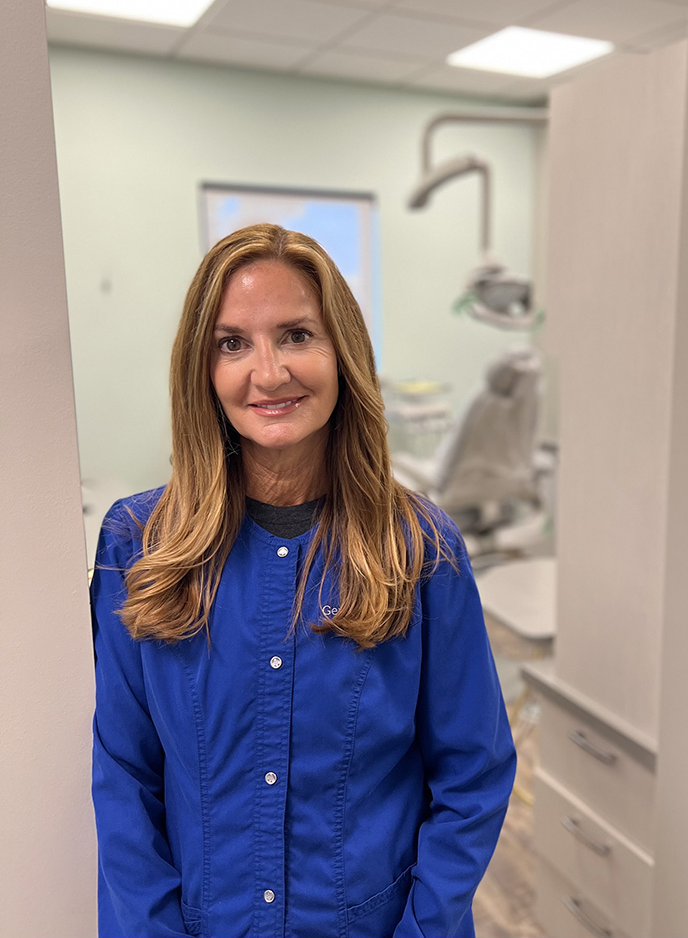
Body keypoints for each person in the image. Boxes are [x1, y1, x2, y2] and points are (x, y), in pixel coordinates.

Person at [90, 223, 517, 938]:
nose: (268, 372)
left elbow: (472, 776)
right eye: (233, 342)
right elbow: (123, 780)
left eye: (296, 335)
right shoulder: (139, 549)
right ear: (202, 367)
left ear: (342, 352)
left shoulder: (419, 550)